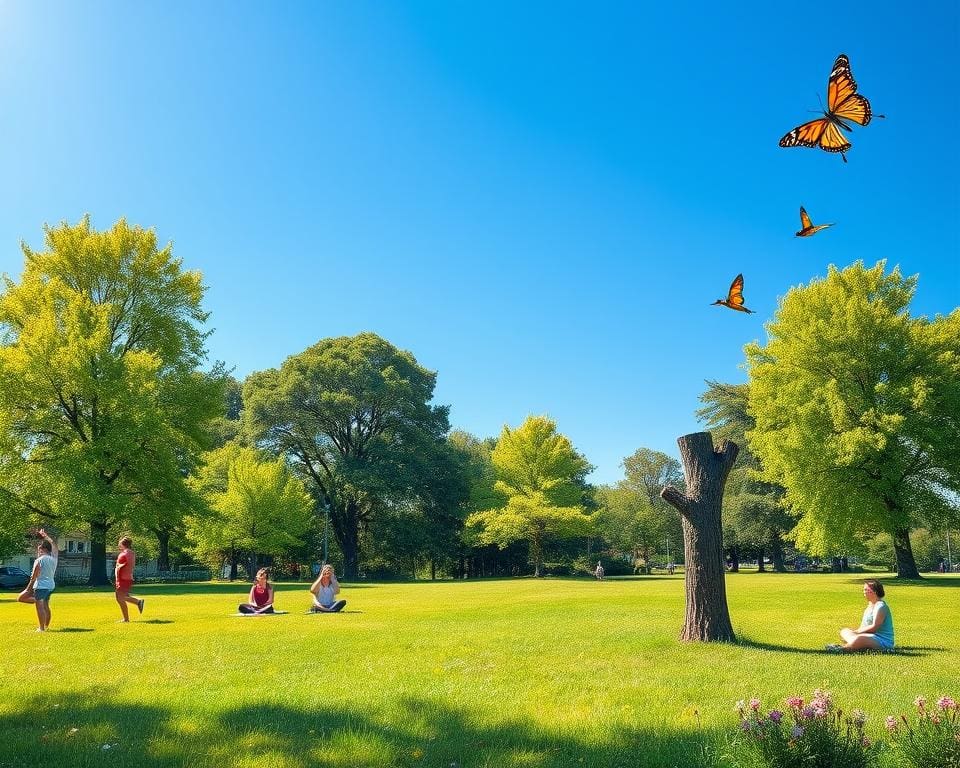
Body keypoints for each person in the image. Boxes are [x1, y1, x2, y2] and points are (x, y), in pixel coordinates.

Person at [826, 579, 895, 652]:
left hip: (881, 641)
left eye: (866, 590)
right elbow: (864, 626)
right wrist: (855, 632)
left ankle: (842, 649)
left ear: (874, 591)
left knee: (860, 639)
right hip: (868, 636)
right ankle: (855, 644)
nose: (864, 592)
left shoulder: (881, 606)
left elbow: (874, 627)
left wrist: (857, 632)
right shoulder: (870, 605)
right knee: (844, 631)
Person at [18, 529, 58, 632]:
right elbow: (53, 543)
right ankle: (46, 626)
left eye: (39, 549)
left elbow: (35, 575)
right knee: (45, 605)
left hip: (41, 586)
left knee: (39, 606)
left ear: (42, 549)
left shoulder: (39, 560)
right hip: (51, 585)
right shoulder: (54, 558)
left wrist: (29, 587)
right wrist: (46, 536)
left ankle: (41, 628)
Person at [114, 536, 144, 622]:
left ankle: (138, 602)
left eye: (120, 543)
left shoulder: (125, 554)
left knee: (120, 597)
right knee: (122, 597)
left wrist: (118, 568)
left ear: (123, 544)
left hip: (123, 578)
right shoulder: (131, 553)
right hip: (127, 577)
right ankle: (126, 618)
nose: (118, 544)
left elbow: (122, 565)